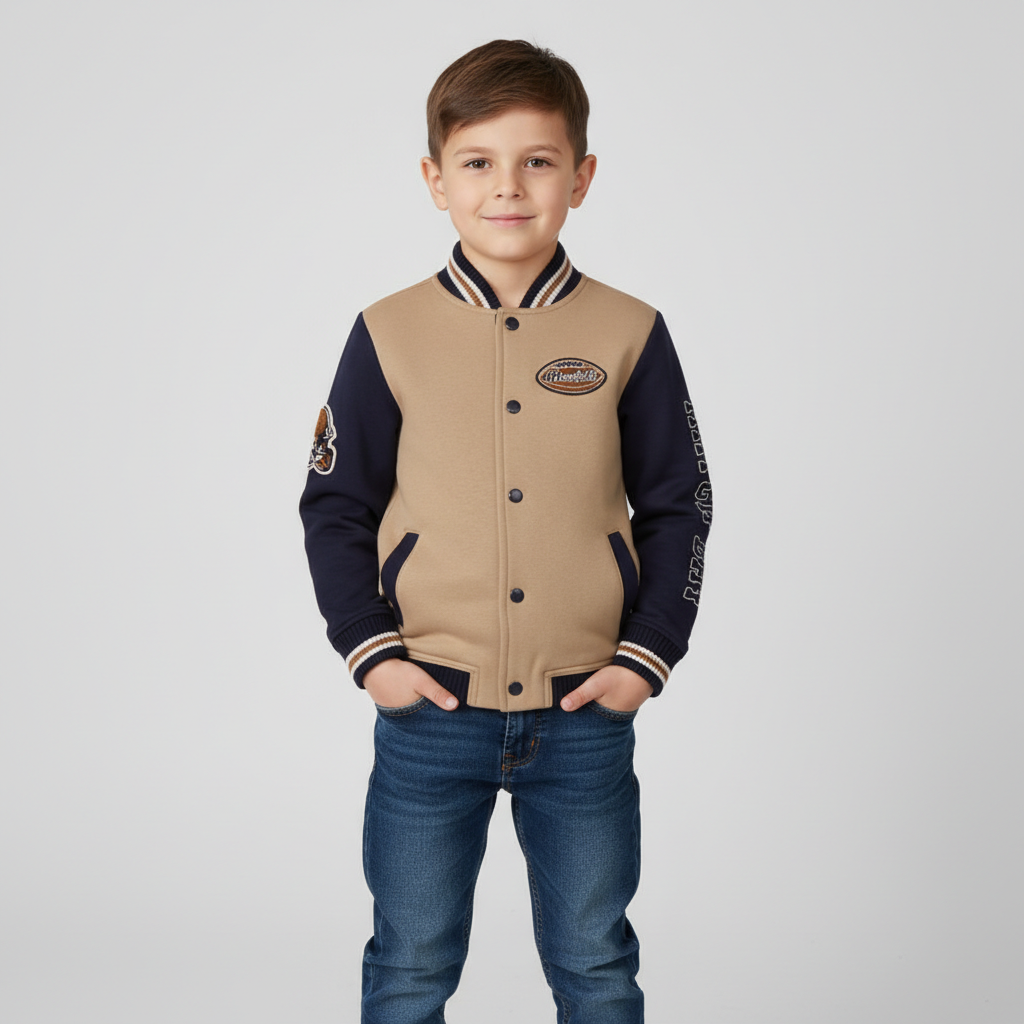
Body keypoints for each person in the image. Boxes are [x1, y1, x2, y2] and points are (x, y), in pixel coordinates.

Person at [299, 38, 713, 1024]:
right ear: (435, 180)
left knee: (595, 963)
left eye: (538, 161)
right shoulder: (389, 331)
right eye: (478, 162)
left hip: (584, 710)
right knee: (410, 962)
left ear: (582, 177)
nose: (509, 187)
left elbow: (679, 503)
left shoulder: (629, 331)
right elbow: (336, 505)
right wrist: (372, 654)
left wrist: (647, 655)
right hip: (428, 709)